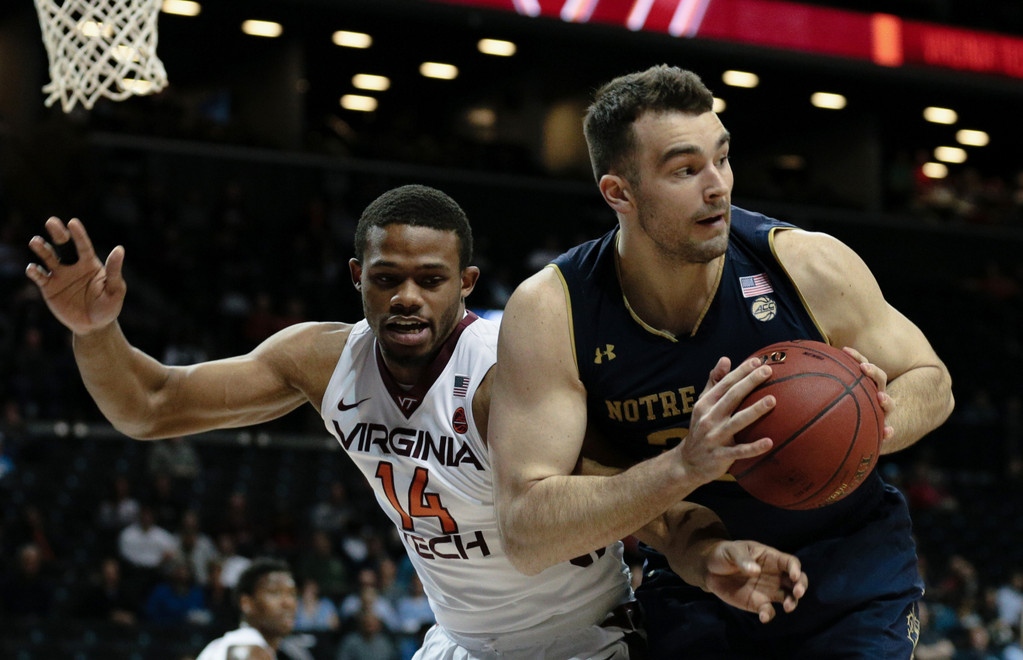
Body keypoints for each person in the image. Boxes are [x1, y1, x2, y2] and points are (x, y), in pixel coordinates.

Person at [27, 183, 804, 658]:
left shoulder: (507, 372)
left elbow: (655, 514)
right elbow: (151, 406)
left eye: (430, 280)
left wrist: (706, 560)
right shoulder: (321, 360)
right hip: (459, 643)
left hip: (582, 644)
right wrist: (95, 332)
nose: (407, 297)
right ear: (357, 279)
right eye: (388, 279)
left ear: (463, 284)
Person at [489, 64, 955, 659]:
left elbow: (932, 381)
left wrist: (864, 421)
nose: (719, 186)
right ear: (619, 193)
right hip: (698, 575)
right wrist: (686, 469)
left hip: (849, 568)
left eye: (723, 159)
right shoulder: (554, 310)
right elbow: (527, 530)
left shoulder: (805, 265)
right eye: (685, 169)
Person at [195, 558, 298, 660]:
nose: (288, 602)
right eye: (275, 593)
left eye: (292, 594)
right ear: (246, 603)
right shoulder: (247, 648)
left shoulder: (229, 643)